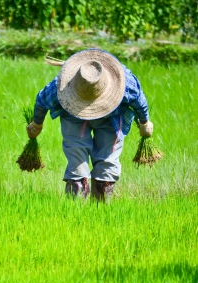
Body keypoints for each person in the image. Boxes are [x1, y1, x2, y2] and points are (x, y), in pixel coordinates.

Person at [26, 48, 153, 202]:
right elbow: (42, 100)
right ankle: (77, 208)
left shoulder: (124, 81)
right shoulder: (62, 84)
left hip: (111, 115)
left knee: (107, 158)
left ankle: (100, 207)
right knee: (77, 157)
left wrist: (144, 123)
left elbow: (140, 101)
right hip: (75, 113)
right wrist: (36, 125)